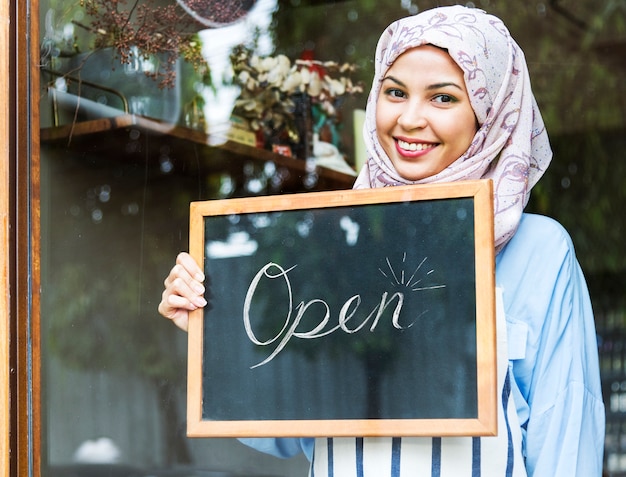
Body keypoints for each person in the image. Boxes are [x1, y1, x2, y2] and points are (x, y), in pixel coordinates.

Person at [159, 5, 605, 476]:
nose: (410, 119)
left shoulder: (540, 250)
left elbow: (567, 442)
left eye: (443, 98)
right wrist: (214, 331)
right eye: (395, 92)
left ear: (489, 112)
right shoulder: (341, 235)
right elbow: (283, 428)